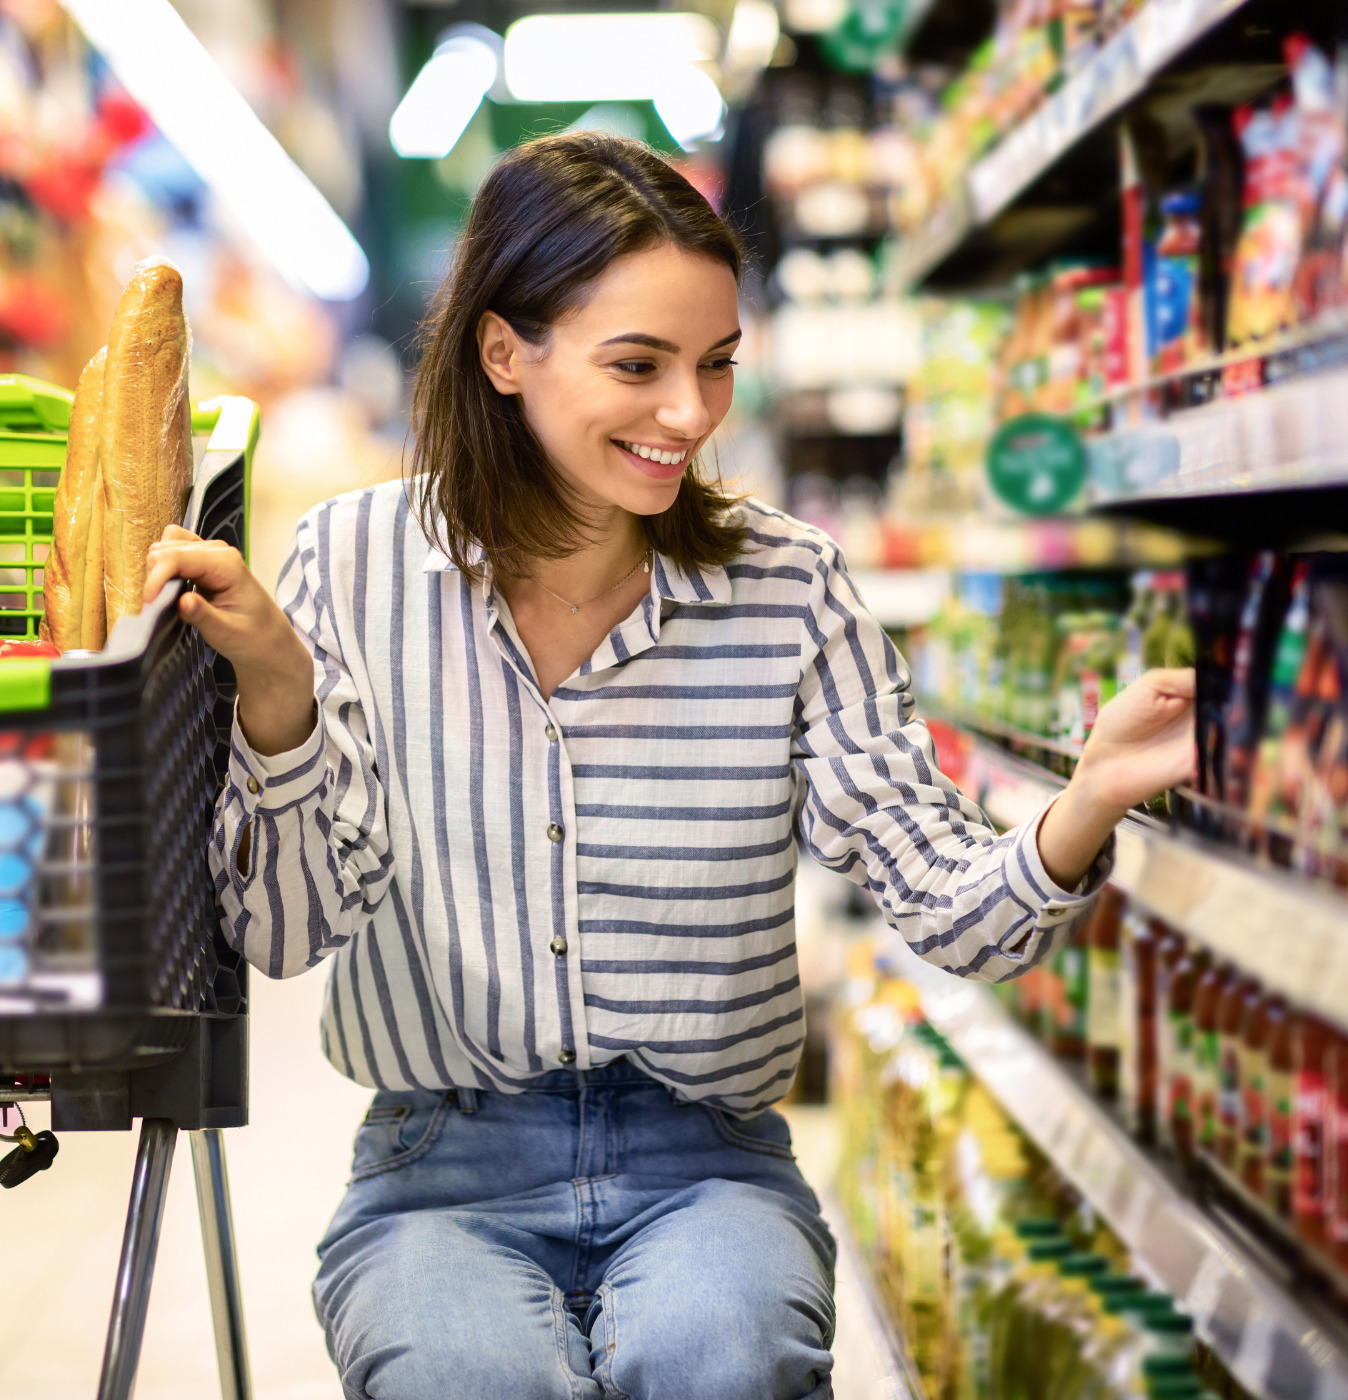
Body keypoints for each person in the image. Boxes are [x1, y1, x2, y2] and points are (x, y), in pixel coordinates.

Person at [144, 132, 1194, 1400]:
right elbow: (287, 931)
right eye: (636, 365)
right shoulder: (350, 564)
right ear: (502, 351)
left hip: (710, 1162)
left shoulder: (787, 583)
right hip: (435, 1165)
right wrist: (279, 697)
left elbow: (944, 899)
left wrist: (1081, 802)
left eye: (714, 366)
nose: (689, 416)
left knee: (722, 1357)